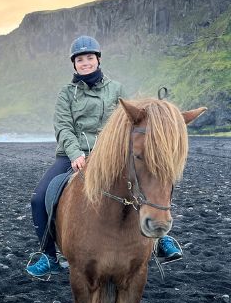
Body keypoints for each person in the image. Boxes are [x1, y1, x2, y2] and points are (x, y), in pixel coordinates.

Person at [26, 35, 182, 278]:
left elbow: (125, 122)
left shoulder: (116, 89)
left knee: (145, 180)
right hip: (72, 156)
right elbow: (63, 127)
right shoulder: (66, 94)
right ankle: (48, 255)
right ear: (74, 64)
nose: (85, 62)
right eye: (80, 59)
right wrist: (76, 153)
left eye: (90, 57)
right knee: (39, 198)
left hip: (109, 155)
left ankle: (161, 238)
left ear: (98, 60)